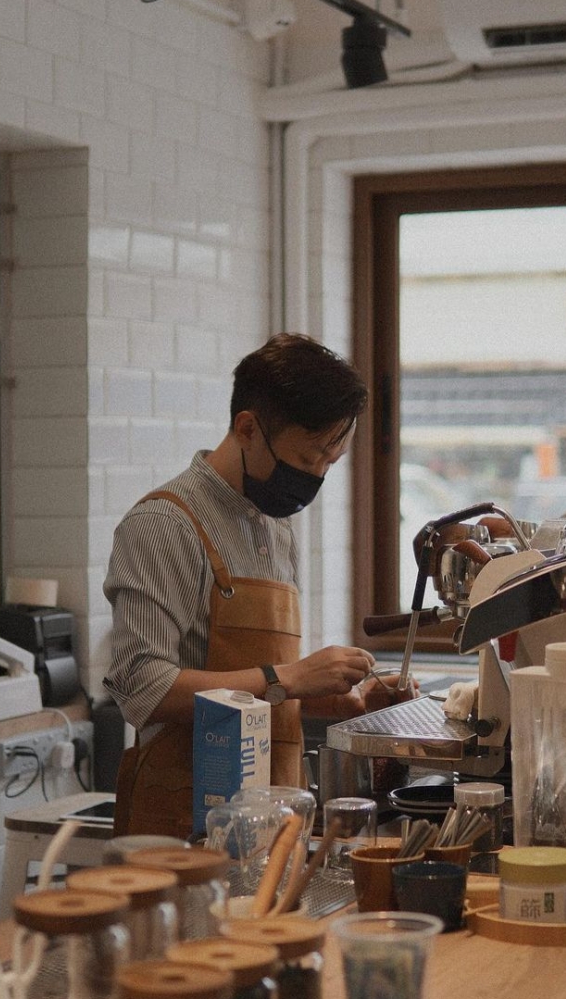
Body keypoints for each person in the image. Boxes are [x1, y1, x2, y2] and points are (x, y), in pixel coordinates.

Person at [104, 332, 409, 838]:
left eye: (328, 465)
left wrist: (337, 700)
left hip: (271, 821)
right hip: (183, 829)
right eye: (308, 459)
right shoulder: (164, 524)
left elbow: (259, 689)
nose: (315, 477)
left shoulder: (275, 526)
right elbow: (142, 687)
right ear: (247, 428)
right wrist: (289, 677)